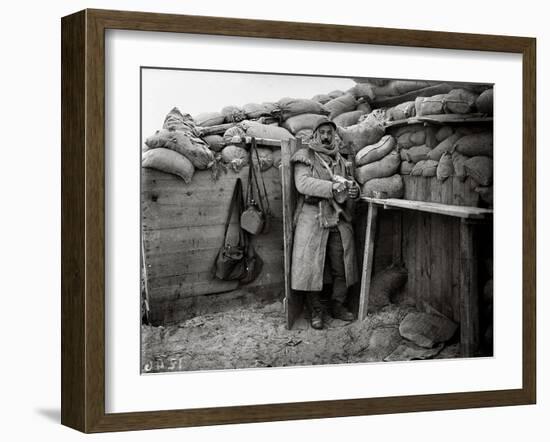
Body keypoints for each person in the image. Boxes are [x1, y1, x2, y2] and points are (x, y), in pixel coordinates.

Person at [290, 119, 360, 329]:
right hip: (312, 215)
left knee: (342, 265)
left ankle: (337, 305)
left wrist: (354, 190)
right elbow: (302, 184)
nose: (327, 136)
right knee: (312, 266)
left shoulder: (341, 159)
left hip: (337, 215)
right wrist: (333, 187)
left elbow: (350, 184)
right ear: (315, 135)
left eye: (330, 132)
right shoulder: (305, 157)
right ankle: (316, 310)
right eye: (322, 132)